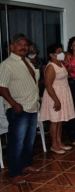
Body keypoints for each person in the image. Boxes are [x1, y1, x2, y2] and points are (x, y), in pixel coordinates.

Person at [0, 33, 41, 185]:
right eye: (19, 44)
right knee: (16, 142)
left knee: (29, 140)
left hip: (31, 106)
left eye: (25, 44)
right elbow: (1, 87)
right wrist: (13, 103)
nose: (23, 47)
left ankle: (26, 165)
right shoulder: (7, 64)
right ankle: (15, 173)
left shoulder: (28, 62)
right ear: (11, 47)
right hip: (18, 109)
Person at [40, 43, 75, 154]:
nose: (61, 54)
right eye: (59, 52)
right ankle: (54, 144)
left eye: (61, 51)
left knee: (60, 120)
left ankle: (59, 142)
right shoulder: (51, 66)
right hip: (54, 95)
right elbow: (48, 85)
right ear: (51, 54)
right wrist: (56, 100)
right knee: (55, 121)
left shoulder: (60, 64)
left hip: (63, 94)